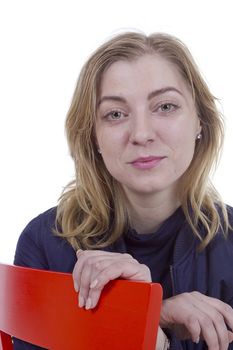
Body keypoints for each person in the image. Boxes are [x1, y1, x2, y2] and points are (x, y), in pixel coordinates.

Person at [13, 31, 233, 350]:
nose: (141, 134)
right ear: (93, 136)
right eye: (115, 114)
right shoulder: (45, 244)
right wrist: (143, 318)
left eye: (166, 106)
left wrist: (146, 323)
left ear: (201, 122)